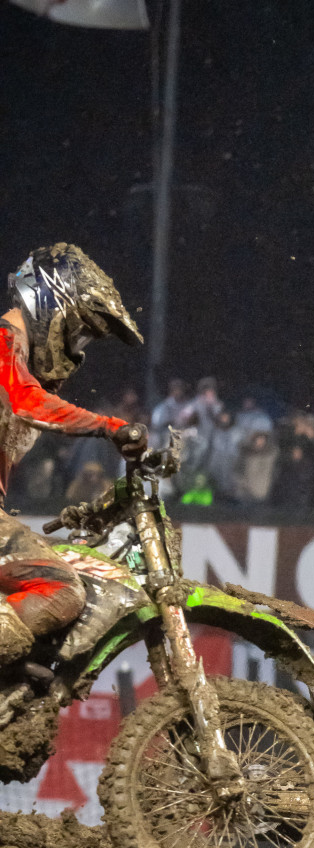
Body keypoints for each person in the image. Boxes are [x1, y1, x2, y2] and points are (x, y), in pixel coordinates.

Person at [0, 243, 145, 661]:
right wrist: (111, 426)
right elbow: (28, 402)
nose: (78, 348)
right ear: (49, 303)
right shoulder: (3, 341)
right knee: (60, 589)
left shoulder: (20, 359)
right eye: (79, 331)